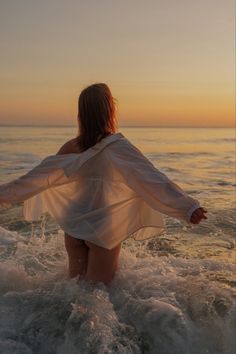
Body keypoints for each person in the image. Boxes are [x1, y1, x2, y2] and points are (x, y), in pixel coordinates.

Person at [0, 83, 207, 284]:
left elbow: (36, 178)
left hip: (74, 226)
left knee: (72, 291)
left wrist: (3, 194)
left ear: (81, 114)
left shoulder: (70, 147)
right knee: (96, 297)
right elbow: (152, 179)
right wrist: (187, 207)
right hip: (102, 227)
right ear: (110, 111)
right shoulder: (117, 147)